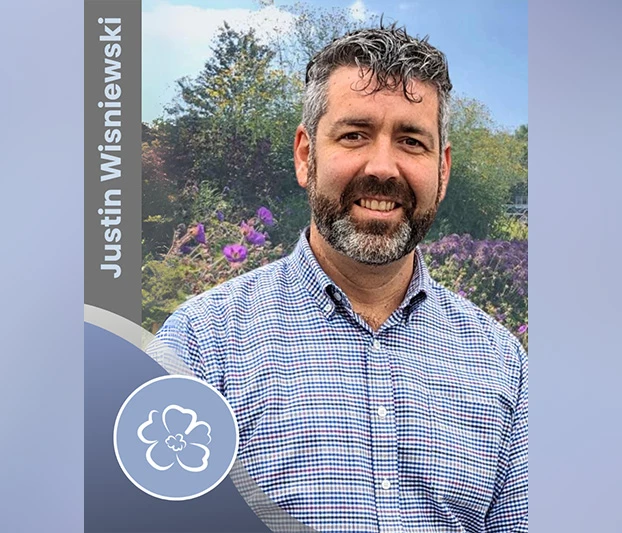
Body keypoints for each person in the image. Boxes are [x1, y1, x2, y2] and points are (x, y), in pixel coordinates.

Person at [154, 25, 528, 533]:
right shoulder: (200, 347)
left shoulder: (503, 365)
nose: (383, 167)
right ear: (306, 155)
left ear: (441, 170)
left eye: (411, 141)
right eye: (354, 134)